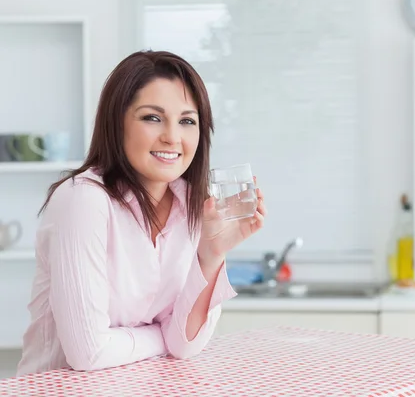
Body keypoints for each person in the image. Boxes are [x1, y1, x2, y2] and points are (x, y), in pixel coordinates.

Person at [16, 50, 266, 375]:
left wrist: (211, 253)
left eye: (187, 121)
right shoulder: (83, 201)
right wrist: (162, 336)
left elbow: (187, 345)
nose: (172, 137)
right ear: (116, 121)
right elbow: (88, 353)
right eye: (152, 117)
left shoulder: (194, 208)